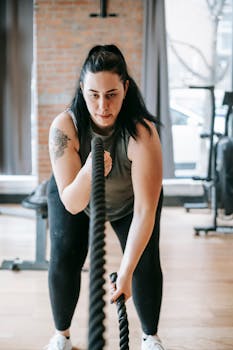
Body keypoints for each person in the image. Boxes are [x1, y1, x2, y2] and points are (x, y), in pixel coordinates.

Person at [46, 44, 165, 350]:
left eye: (111, 94)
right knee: (63, 256)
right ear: (82, 89)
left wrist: (124, 273)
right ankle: (61, 335)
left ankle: (150, 338)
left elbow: (144, 211)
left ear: (125, 88)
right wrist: (88, 172)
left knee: (145, 260)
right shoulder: (65, 127)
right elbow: (72, 203)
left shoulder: (142, 133)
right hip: (76, 196)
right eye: (94, 95)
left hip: (131, 204)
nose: (102, 106)